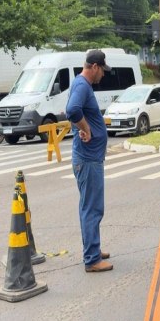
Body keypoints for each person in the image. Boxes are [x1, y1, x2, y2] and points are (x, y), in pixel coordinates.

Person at [66, 50, 113, 272]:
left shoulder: (81, 85)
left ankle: (93, 248)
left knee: (91, 207)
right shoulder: (83, 86)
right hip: (87, 159)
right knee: (92, 208)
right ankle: (92, 259)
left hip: (89, 158)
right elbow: (72, 110)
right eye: (102, 70)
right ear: (94, 67)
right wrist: (85, 128)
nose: (103, 75)